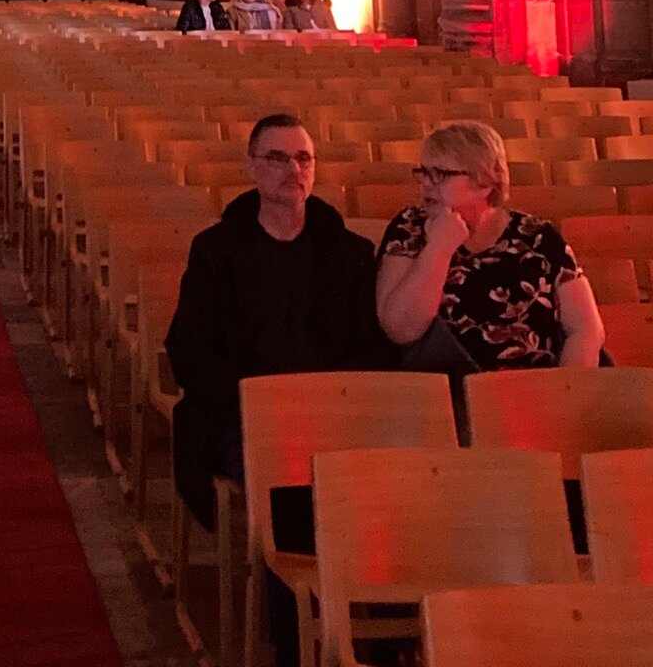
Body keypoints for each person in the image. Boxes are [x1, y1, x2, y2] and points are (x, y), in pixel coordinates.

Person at [166, 115, 389, 663]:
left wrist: (328, 403)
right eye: (278, 158)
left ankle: (383, 634)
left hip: (333, 415)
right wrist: (264, 405)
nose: (294, 170)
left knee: (394, 486)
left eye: (304, 159)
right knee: (289, 488)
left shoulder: (351, 253)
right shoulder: (217, 251)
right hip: (245, 415)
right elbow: (190, 351)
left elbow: (376, 350)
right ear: (251, 168)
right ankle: (296, 643)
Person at [376, 120, 604, 373]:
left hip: (538, 392)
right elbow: (401, 330)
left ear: (485, 182)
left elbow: (585, 329)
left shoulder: (538, 236)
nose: (426, 184)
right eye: (423, 173)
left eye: (440, 174)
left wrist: (566, 390)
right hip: (446, 394)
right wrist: (439, 247)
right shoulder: (410, 228)